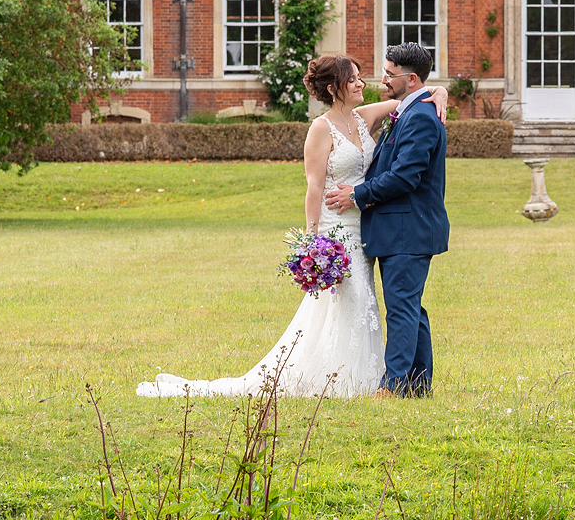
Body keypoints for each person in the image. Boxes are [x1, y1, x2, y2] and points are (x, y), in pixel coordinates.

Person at [137, 55, 438, 399]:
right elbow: (313, 187)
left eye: (359, 78)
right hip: (334, 228)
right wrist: (313, 242)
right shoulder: (321, 129)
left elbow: (409, 96)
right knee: (345, 300)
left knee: (364, 302)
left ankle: (365, 376)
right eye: (353, 79)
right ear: (333, 88)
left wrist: (439, 92)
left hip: (363, 228)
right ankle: (337, 379)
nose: (361, 84)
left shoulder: (363, 116)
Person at [326, 41, 449, 399]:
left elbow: (404, 177)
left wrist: (356, 194)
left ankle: (393, 387)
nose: (382, 80)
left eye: (389, 75)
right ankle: (418, 385)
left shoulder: (421, 118)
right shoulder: (409, 110)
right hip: (399, 230)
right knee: (411, 308)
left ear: (411, 79)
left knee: (402, 309)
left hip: (408, 230)